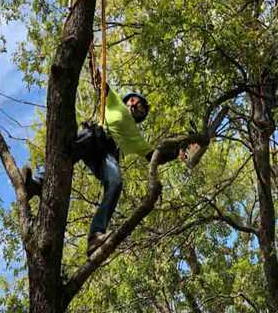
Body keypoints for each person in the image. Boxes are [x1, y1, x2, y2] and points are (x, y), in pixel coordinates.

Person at [23, 84, 181, 257]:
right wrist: (96, 71)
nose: (135, 105)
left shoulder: (136, 137)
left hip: (107, 154)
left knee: (116, 182)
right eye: (133, 101)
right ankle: (38, 182)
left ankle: (96, 235)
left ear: (141, 115)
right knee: (71, 148)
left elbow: (154, 156)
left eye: (139, 106)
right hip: (93, 137)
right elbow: (102, 86)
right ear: (127, 101)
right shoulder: (116, 104)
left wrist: (178, 152)